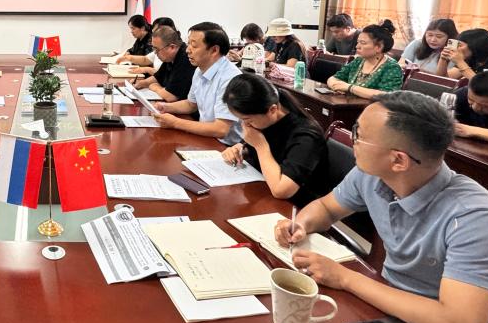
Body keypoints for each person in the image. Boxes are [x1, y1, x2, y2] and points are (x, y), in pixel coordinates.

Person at [274, 92, 488, 323]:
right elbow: (326, 207)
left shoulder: (476, 218)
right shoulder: (372, 176)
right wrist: (301, 224)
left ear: (398, 160)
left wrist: (345, 278)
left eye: (359, 135)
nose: (353, 140)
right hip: (398, 320)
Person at [221, 73, 331, 203]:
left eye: (247, 120)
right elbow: (255, 148)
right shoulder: (265, 120)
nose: (245, 125)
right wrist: (241, 149)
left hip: (297, 206)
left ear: (273, 109)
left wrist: (260, 146)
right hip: (263, 192)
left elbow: (281, 190)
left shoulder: (306, 135)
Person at [154, 24, 243, 144]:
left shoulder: (230, 78)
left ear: (214, 50)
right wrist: (165, 107)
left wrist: (175, 123)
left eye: (194, 45)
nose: (187, 50)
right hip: (205, 137)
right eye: (188, 44)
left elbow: (221, 129)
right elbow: (191, 104)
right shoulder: (200, 70)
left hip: (226, 146)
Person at [327, 20, 403, 99]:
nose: (357, 46)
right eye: (358, 42)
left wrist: (350, 88)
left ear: (379, 47)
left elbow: (386, 95)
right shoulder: (358, 61)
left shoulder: (391, 67)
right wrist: (337, 86)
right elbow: (333, 78)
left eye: (363, 43)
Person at [135, 26, 195, 101]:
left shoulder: (185, 58)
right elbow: (158, 77)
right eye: (154, 49)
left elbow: (171, 96)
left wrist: (155, 87)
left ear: (172, 47)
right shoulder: (170, 57)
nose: (155, 53)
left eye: (157, 49)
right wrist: (142, 83)